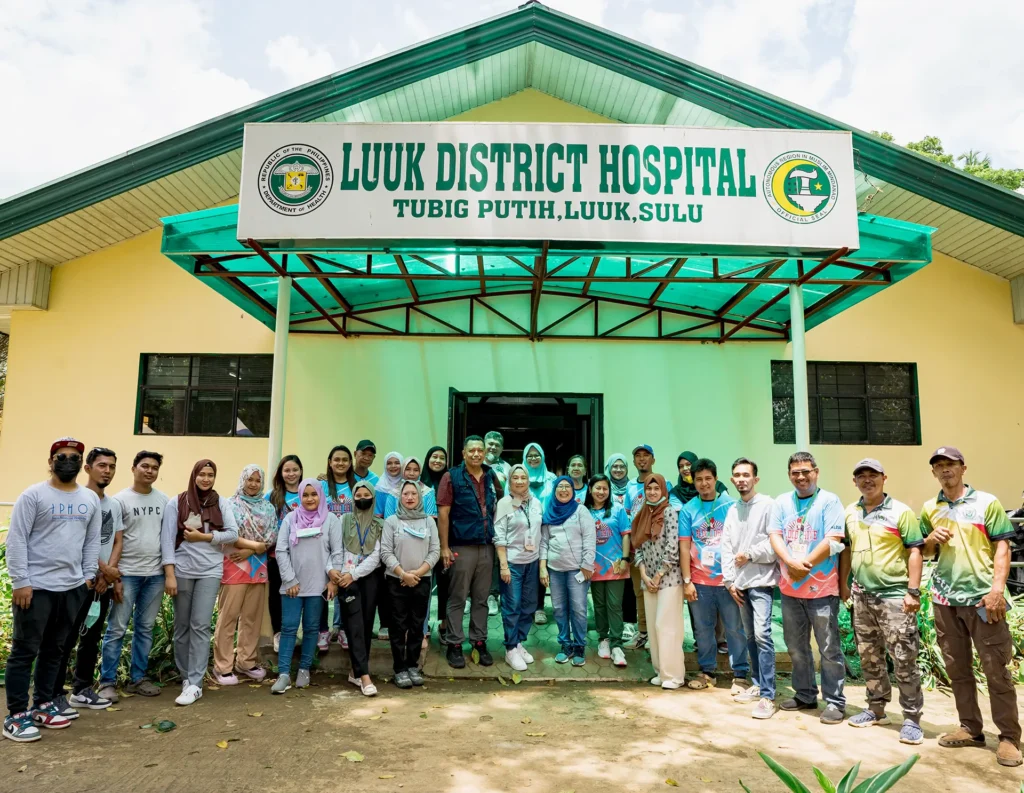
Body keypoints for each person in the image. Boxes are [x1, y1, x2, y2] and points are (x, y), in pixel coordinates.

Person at [919, 447, 1021, 767]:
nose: (945, 470)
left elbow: (1002, 547)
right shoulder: (929, 508)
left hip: (982, 599)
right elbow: (923, 553)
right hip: (944, 601)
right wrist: (931, 539)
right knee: (958, 669)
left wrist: (996, 591)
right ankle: (971, 728)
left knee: (996, 669)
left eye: (950, 465)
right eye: (939, 466)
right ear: (934, 472)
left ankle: (1008, 737)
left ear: (963, 468)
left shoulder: (986, 503)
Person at [3, 437, 101, 743]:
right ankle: (16, 715)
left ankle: (44, 704)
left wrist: (87, 578)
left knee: (55, 649)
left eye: (74, 456)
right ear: (51, 461)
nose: (67, 461)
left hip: (72, 587)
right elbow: (17, 539)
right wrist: (21, 581)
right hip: (36, 588)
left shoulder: (89, 499)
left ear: (81, 463)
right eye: (61, 456)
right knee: (24, 651)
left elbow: (91, 541)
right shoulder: (33, 495)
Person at [839, 458, 925, 744]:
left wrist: (913, 591)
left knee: (903, 657)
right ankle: (876, 709)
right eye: (861, 476)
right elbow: (847, 551)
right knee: (869, 655)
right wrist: (844, 584)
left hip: (894, 597)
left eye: (872, 475)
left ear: (884, 478)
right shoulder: (851, 512)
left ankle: (912, 718)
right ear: (855, 481)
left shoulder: (901, 512)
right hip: (862, 596)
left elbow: (915, 551)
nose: (867, 480)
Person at [768, 452, 847, 725]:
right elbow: (774, 535)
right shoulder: (781, 502)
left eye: (805, 471)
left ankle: (835, 702)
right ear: (789, 474)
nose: (800, 477)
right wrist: (790, 562)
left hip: (822, 589)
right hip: (790, 590)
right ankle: (805, 694)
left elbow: (834, 538)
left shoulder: (830, 501)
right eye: (795, 472)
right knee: (796, 647)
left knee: (828, 648)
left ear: (816, 471)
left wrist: (804, 564)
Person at [161, 459, 239, 706]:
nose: (206, 479)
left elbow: (233, 533)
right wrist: (170, 574)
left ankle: (195, 683)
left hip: (210, 571)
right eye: (202, 474)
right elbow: (166, 540)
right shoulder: (177, 502)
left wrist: (204, 537)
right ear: (194, 475)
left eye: (211, 474)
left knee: (201, 625)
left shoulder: (221, 502)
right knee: (182, 626)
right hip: (183, 571)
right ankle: (186, 677)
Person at [52, 448, 123, 715]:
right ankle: (55, 694)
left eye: (112, 466)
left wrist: (108, 574)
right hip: (78, 583)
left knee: (91, 637)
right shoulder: (78, 500)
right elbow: (79, 543)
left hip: (101, 584)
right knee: (65, 639)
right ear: (88, 468)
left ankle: (81, 690)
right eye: (102, 465)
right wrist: (99, 572)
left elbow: (117, 540)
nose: (107, 471)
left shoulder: (113, 504)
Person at [99, 450, 169, 703]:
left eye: (154, 468)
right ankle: (107, 681)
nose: (149, 471)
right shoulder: (119, 501)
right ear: (133, 468)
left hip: (155, 576)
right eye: (145, 466)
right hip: (126, 575)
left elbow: (168, 538)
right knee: (116, 629)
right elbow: (111, 541)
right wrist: (115, 577)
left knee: (145, 629)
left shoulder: (164, 501)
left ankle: (138, 678)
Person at [678, 458, 749, 692]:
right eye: (699, 479)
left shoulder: (731, 506)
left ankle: (740, 673)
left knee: (734, 628)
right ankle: (707, 671)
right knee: (703, 628)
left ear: (716, 480)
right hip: (699, 580)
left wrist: (738, 577)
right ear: (693, 481)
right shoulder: (688, 510)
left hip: (728, 581)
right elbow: (685, 546)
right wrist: (687, 581)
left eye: (708, 478)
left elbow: (740, 540)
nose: (704, 483)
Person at [271, 479, 344, 694]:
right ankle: (283, 674)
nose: (310, 498)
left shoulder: (330, 520)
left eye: (314, 494)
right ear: (300, 497)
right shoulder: (290, 519)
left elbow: (337, 552)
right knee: (289, 628)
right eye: (305, 495)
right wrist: (289, 579)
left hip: (319, 585)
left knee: (312, 628)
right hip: (293, 585)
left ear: (321, 496)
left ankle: (304, 669)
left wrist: (333, 581)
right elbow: (281, 550)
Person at [721, 457, 779, 719]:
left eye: (746, 475)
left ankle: (768, 695)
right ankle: (757, 685)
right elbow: (726, 547)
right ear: (732, 480)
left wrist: (750, 554)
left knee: (763, 635)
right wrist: (729, 581)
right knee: (750, 636)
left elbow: (775, 544)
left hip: (762, 581)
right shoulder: (733, 509)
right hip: (740, 583)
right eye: (737, 475)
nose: (741, 479)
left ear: (755, 478)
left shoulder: (768, 505)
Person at [212, 464, 278, 686]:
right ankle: (222, 666)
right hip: (234, 564)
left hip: (258, 565)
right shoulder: (230, 505)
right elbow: (226, 533)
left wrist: (252, 549)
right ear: (242, 480)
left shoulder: (268, 508)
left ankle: (246, 662)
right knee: (228, 616)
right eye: (250, 479)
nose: (253, 484)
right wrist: (255, 546)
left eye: (258, 480)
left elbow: (272, 534)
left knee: (252, 618)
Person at [438, 435, 499, 668]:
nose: (476, 454)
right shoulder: (451, 477)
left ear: (485, 453)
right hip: (461, 546)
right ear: (463, 453)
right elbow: (443, 514)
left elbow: (501, 502)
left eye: (480, 450)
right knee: (457, 598)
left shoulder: (491, 476)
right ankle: (454, 644)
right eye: (471, 450)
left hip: (486, 546)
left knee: (481, 598)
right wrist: (444, 547)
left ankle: (479, 642)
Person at [381, 481, 440, 688]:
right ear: (400, 497)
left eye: (414, 493)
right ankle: (399, 669)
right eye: (405, 493)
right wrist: (402, 574)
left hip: (421, 580)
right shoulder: (391, 521)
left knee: (417, 625)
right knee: (398, 626)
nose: (409, 497)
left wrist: (418, 573)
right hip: (396, 581)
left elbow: (435, 551)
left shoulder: (428, 521)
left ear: (420, 497)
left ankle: (412, 665)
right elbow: (385, 552)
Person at [631, 473, 685, 690]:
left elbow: (673, 549)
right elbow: (638, 547)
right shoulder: (642, 512)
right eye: (648, 489)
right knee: (653, 627)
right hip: (648, 579)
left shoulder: (670, 512)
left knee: (667, 626)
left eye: (656, 489)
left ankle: (674, 676)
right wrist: (644, 574)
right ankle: (660, 672)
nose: (652, 492)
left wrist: (657, 575)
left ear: (663, 490)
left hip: (668, 580)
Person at [539, 476, 596, 666]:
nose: (563, 490)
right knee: (559, 609)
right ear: (554, 490)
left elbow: (589, 539)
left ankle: (579, 646)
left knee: (579, 609)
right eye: (560, 487)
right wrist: (542, 568)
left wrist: (587, 564)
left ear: (573, 490)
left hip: (576, 571)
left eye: (567, 487)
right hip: (555, 570)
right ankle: (565, 644)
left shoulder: (581, 511)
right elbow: (544, 542)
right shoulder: (549, 512)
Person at [332, 481, 382, 697]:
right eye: (358, 494)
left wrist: (355, 573)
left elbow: (377, 555)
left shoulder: (380, 524)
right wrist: (340, 574)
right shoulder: (343, 520)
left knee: (366, 623)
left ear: (373, 498)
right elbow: (335, 549)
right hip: (346, 579)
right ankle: (364, 677)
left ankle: (355, 671)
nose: (362, 498)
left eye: (366, 494)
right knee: (354, 625)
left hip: (368, 578)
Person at [494, 464, 543, 672]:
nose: (520, 481)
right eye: (516, 478)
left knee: (529, 605)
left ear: (528, 480)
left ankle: (519, 641)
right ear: (510, 481)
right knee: (512, 606)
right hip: (512, 564)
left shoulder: (536, 503)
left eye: (523, 477)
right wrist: (504, 566)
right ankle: (510, 648)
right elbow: (499, 536)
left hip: (532, 562)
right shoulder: (504, 504)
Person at [586, 473, 630, 667]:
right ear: (590, 490)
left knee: (614, 604)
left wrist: (626, 559)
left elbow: (626, 536)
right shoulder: (584, 511)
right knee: (600, 604)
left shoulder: (618, 510)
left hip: (616, 566)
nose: (601, 492)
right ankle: (603, 639)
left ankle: (617, 645)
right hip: (593, 566)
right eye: (597, 488)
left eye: (605, 488)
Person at [320, 445, 358, 649]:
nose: (341, 463)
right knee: (323, 586)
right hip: (324, 544)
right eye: (337, 459)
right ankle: (323, 630)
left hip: (349, 545)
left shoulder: (358, 485)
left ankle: (342, 628)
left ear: (350, 463)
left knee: (344, 584)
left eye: (345, 459)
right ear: (329, 462)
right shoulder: (321, 486)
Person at [266, 454, 303, 652]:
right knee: (277, 594)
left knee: (300, 594)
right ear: (281, 473)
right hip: (276, 555)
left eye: (294, 470)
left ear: (301, 471)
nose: (291, 474)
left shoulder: (308, 492)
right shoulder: (272, 496)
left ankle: (295, 631)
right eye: (287, 470)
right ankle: (278, 633)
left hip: (303, 555)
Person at [624, 444, 656, 650]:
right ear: (634, 461)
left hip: (657, 551)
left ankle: (657, 633)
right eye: (638, 456)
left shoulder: (661, 482)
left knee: (658, 592)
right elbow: (628, 518)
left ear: (653, 459)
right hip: (637, 550)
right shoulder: (630, 487)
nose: (642, 459)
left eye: (646, 456)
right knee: (640, 592)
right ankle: (643, 633)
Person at [522, 442, 556, 625]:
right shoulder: (519, 476)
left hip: (546, 530)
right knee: (525, 569)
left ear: (542, 457)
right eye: (530, 455)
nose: (533, 458)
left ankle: (539, 607)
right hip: (523, 532)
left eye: (537, 455)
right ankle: (525, 606)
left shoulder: (551, 478)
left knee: (541, 568)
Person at [421, 446, 450, 640]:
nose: (438, 460)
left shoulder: (450, 480)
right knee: (423, 584)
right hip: (422, 542)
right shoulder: (418, 481)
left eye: (442, 458)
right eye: (434, 456)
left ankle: (444, 624)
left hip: (446, 539)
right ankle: (422, 625)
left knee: (445, 583)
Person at [375, 451, 405, 516]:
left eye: (397, 463)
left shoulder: (407, 484)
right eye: (389, 463)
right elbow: (378, 514)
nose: (393, 466)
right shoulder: (380, 487)